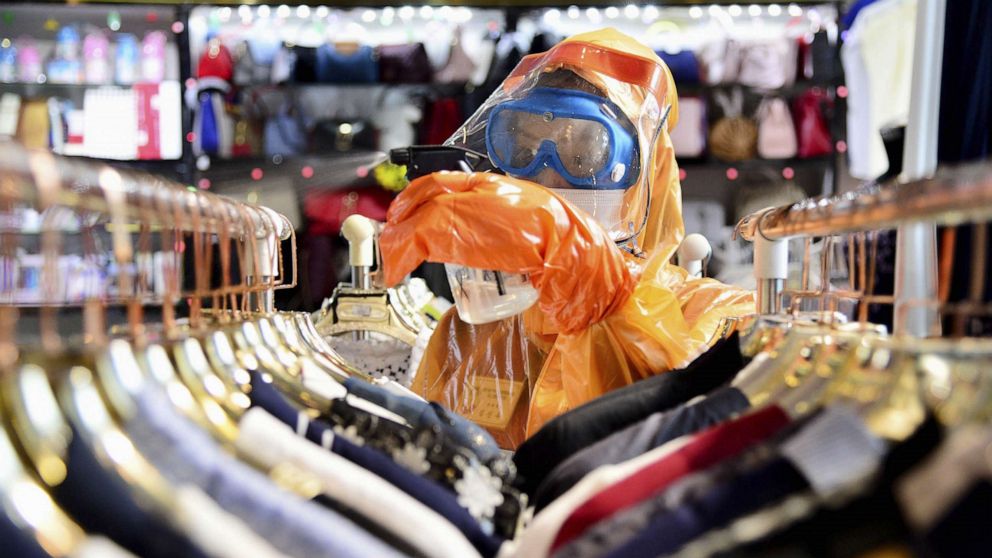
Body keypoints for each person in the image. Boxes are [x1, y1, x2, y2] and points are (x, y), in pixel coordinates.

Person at [379, 28, 754, 449]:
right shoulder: (468, 331)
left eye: (584, 153)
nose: (548, 173)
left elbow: (691, 428)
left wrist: (606, 299)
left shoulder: (714, 316)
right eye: (522, 148)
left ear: (645, 172)